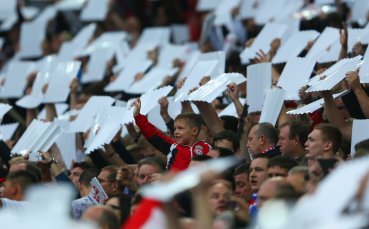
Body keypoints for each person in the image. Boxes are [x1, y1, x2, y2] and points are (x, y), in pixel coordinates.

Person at [133, 98, 211, 171]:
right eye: (175, 129)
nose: (176, 132)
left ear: (194, 131)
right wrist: (138, 117)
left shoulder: (207, 148)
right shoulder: (173, 148)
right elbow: (153, 134)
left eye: (180, 128)